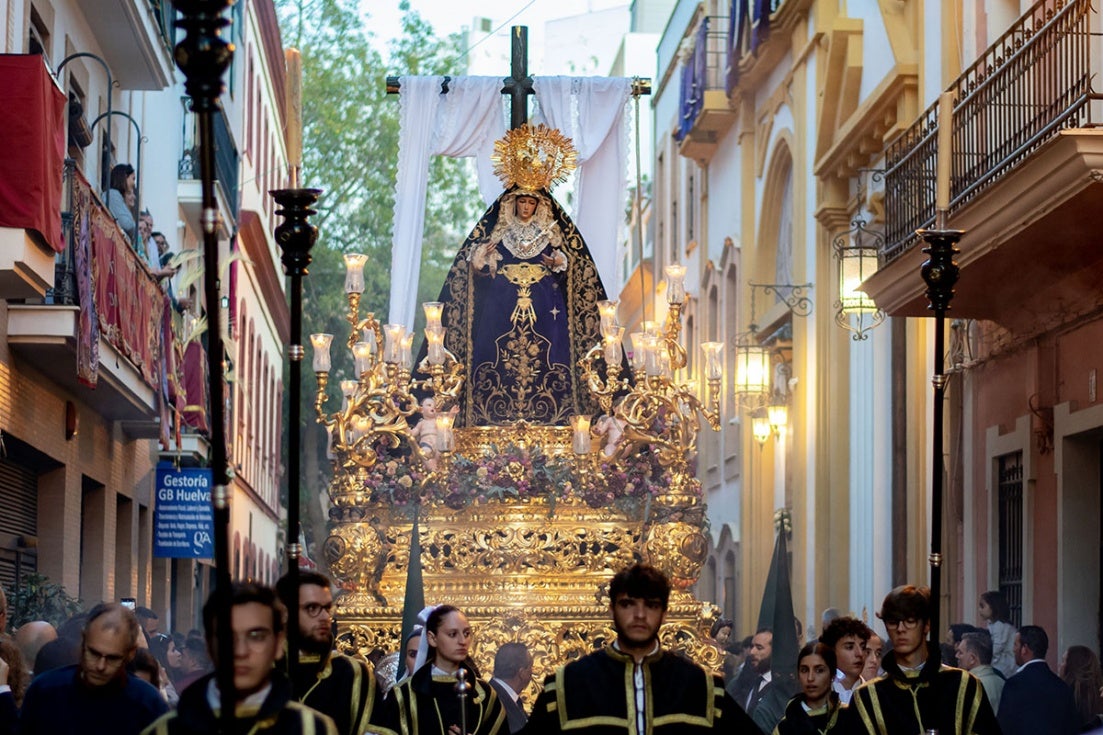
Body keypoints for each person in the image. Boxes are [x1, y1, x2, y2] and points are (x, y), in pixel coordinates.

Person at [425, 126, 607, 428]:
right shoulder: (500, 233)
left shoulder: (550, 233)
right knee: (493, 360)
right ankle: (486, 419)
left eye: (531, 202)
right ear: (513, 203)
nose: (525, 207)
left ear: (539, 205)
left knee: (551, 361)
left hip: (546, 311)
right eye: (521, 202)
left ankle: (557, 421)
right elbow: (478, 274)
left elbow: (572, 270)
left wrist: (559, 262)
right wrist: (481, 263)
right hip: (501, 309)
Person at [524, 564, 760, 734]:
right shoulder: (568, 686)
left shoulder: (700, 688)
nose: (639, 615)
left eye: (651, 605)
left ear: (664, 613)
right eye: (628, 604)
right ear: (612, 610)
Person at [142, 582, 338, 735]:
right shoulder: (165, 730)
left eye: (256, 636)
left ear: (279, 644)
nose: (241, 651)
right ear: (209, 645)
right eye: (228, 637)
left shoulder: (312, 729)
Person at [849, 585, 999, 735]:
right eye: (893, 621)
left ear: (926, 625)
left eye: (910, 620)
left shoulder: (963, 685)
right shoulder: (868, 696)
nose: (900, 628)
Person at [18, 603, 168, 735]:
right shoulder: (45, 691)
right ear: (83, 642)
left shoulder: (148, 704)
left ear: (130, 654)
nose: (100, 666)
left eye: (112, 658)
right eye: (94, 653)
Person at [275, 571, 381, 735]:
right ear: (284, 613)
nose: (325, 616)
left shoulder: (352, 673)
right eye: (312, 608)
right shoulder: (263, 670)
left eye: (327, 608)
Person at [376, 604, 506, 735]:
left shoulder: (485, 694)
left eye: (466, 633)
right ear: (432, 638)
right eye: (452, 634)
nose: (462, 641)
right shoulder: (403, 695)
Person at [997, 625, 1080, 735]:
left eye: (1015, 644)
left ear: (1024, 649)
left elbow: (1004, 726)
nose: (1013, 649)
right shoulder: (1062, 686)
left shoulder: (1014, 684)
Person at [773, 642, 850, 735]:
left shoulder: (848, 717)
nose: (810, 678)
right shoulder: (785, 727)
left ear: (832, 675)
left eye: (819, 670)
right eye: (804, 670)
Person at [819, 616, 869, 704]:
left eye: (863, 647)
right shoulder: (819, 695)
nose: (860, 653)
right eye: (850, 647)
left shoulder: (874, 694)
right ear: (832, 651)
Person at [956, 630, 1005, 711]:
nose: (956, 656)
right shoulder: (1002, 682)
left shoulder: (970, 687)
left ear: (972, 658)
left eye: (960, 653)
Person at [488, 642, 532, 734]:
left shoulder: (509, 698)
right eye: (531, 667)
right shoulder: (493, 702)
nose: (532, 672)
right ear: (522, 673)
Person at [1059, 645, 1103, 732]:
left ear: (1072, 666)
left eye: (1063, 661)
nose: (1060, 665)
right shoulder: (1098, 693)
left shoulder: (1064, 694)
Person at [978, 590, 1017, 677]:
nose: (979, 610)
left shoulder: (1001, 626)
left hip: (1005, 669)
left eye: (982, 606)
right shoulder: (993, 625)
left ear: (993, 606)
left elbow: (995, 651)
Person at [106, 163, 138, 244]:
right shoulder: (113, 195)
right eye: (133, 179)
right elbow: (126, 224)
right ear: (125, 177)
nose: (134, 183)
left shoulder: (117, 196)